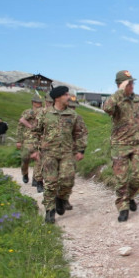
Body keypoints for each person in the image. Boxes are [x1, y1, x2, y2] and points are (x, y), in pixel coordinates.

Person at [31, 86, 87, 224]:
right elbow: (34, 132)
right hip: (49, 153)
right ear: (57, 97)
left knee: (68, 180)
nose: (69, 97)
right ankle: (50, 210)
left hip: (67, 153)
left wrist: (80, 150)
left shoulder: (73, 115)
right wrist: (34, 149)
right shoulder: (44, 113)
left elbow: (80, 133)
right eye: (66, 94)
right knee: (50, 183)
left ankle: (61, 199)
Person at [103, 70, 139, 222]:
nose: (132, 85)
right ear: (120, 84)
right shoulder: (116, 100)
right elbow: (107, 109)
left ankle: (129, 196)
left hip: (138, 143)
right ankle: (123, 207)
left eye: (132, 82)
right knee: (121, 179)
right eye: (128, 83)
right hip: (120, 145)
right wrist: (119, 92)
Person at [16, 94, 43, 184]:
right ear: (33, 102)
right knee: (25, 159)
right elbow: (20, 126)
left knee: (39, 159)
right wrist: (19, 140)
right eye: (37, 102)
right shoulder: (28, 112)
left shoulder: (44, 111)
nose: (39, 104)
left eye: (40, 102)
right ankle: (25, 173)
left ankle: (36, 178)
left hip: (39, 139)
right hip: (27, 139)